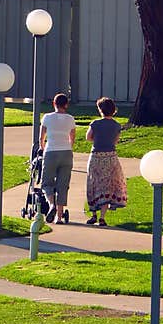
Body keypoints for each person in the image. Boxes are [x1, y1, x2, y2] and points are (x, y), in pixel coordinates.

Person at [85, 96, 128, 226]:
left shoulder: (95, 123)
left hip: (96, 156)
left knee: (94, 183)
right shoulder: (116, 125)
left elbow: (88, 137)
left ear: (100, 109)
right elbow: (115, 141)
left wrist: (97, 139)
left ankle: (93, 214)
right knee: (107, 186)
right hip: (111, 156)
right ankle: (102, 217)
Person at [39, 92, 76, 224]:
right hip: (66, 152)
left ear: (54, 104)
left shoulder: (47, 118)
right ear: (66, 105)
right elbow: (72, 138)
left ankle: (51, 204)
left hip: (51, 151)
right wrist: (68, 148)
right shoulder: (71, 119)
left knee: (47, 183)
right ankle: (59, 217)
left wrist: (43, 148)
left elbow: (41, 138)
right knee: (63, 185)